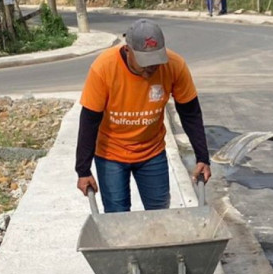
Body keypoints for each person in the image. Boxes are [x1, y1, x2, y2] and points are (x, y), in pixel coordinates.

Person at [75, 19, 212, 212]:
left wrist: (203, 158)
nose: (152, 68)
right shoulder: (104, 68)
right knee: (117, 215)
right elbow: (89, 121)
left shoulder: (174, 65)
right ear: (127, 50)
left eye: (156, 61)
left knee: (159, 213)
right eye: (145, 62)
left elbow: (190, 114)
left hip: (152, 152)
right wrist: (83, 170)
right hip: (111, 154)